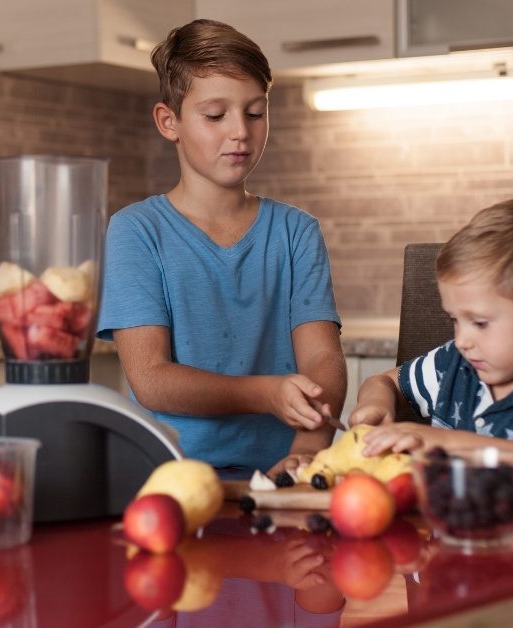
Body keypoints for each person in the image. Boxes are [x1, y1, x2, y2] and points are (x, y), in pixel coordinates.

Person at [97, 19, 346, 477]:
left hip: (281, 475)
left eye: (255, 112)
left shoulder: (296, 232)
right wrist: (265, 394)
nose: (241, 132)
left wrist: (306, 454)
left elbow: (322, 360)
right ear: (168, 122)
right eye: (216, 115)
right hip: (173, 478)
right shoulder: (136, 230)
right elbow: (151, 379)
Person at [349, 199, 513, 499]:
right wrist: (376, 405)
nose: (462, 339)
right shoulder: (453, 364)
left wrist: (445, 442)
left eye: (480, 322)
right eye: (455, 320)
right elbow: (382, 382)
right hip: (450, 542)